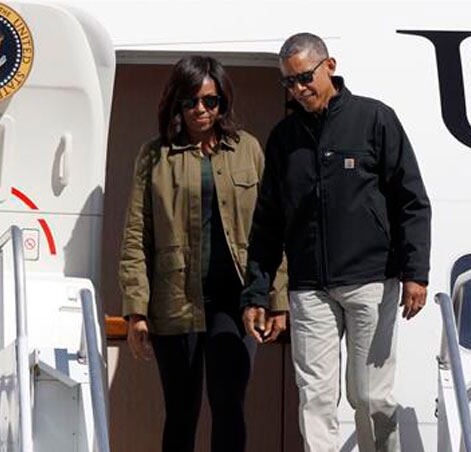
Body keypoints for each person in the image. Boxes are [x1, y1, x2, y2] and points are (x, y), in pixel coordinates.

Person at [241, 33, 431, 452]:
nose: (298, 89)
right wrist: (257, 290)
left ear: (329, 66)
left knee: (369, 396)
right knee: (315, 398)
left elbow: (411, 200)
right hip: (309, 288)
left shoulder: (375, 119)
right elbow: (268, 222)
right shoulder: (283, 138)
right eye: (288, 83)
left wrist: (416, 273)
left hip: (371, 280)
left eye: (304, 77)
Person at [119, 55, 288, 452]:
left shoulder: (246, 149)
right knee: (181, 410)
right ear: (176, 103)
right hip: (176, 301)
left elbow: (271, 228)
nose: (201, 110)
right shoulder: (155, 155)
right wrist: (136, 311)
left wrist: (277, 298)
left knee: (229, 404)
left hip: (237, 301)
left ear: (222, 103)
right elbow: (135, 235)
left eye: (210, 101)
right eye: (191, 101)